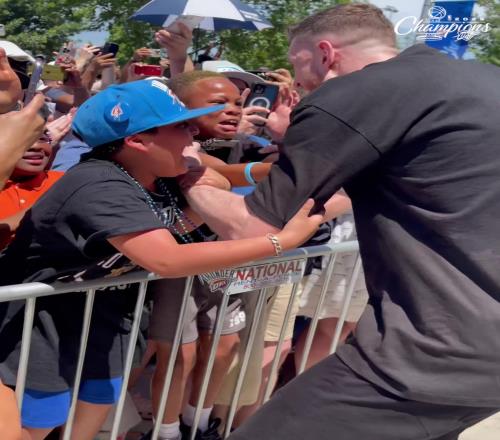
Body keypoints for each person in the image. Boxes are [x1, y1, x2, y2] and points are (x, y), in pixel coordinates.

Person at [180, 3, 500, 439]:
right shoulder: (483, 81)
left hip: (426, 357)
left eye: (298, 63)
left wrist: (190, 174)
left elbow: (251, 228)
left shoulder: (355, 93)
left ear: (325, 53)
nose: (297, 82)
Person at [0, 79, 322, 440]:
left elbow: (192, 212)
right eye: (181, 126)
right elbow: (167, 259)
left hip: (108, 318)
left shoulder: (160, 177)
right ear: (138, 140)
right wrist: (279, 242)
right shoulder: (98, 184)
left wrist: (203, 180)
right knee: (37, 425)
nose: (194, 132)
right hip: (41, 325)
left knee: (94, 408)